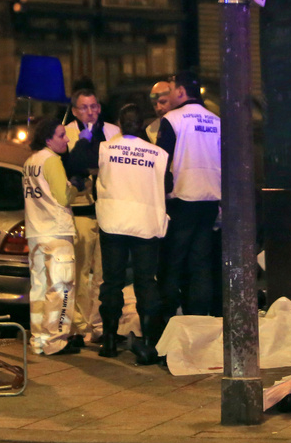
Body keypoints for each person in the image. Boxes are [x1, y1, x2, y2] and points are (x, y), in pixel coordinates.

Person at [95, 104, 170, 363]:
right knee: (146, 282)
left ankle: (108, 340)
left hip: (113, 222)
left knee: (112, 281)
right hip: (145, 225)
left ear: (119, 123)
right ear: (141, 124)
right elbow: (167, 184)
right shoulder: (158, 154)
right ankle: (148, 341)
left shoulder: (106, 148)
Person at [155, 71, 221, 322]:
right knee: (201, 264)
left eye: (170, 89)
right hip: (210, 201)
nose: (168, 95)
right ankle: (199, 320)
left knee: (173, 263)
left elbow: (161, 162)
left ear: (181, 92)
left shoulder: (173, 119)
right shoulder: (216, 120)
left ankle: (170, 320)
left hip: (181, 200)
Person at [63, 88, 120, 347]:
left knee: (104, 274)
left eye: (94, 106)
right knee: (79, 272)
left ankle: (99, 326)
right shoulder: (67, 133)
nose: (91, 112)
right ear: (74, 110)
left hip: (107, 210)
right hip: (81, 211)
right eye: (85, 107)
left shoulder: (112, 131)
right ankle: (77, 326)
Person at [23, 118, 80, 356]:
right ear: (48, 139)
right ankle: (56, 340)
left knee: (38, 289)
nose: (67, 139)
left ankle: (38, 339)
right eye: (61, 135)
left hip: (36, 234)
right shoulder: (52, 161)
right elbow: (63, 197)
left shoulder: (29, 162)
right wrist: (75, 187)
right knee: (61, 288)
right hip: (56, 234)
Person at [144, 79, 173, 144]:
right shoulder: (150, 130)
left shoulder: (186, 123)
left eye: (163, 102)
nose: (158, 108)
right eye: (154, 104)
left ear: (173, 100)